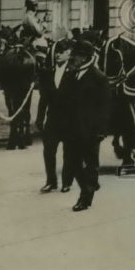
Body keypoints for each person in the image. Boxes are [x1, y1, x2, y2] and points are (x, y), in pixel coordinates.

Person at [61, 38, 112, 212]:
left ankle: (85, 198)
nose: (71, 58)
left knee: (91, 165)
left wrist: (101, 131)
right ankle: (88, 186)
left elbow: (105, 108)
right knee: (73, 164)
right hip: (72, 130)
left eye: (74, 56)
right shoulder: (71, 74)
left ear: (83, 57)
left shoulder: (99, 78)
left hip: (90, 131)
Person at [39, 39, 74, 193]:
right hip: (52, 119)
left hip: (69, 120)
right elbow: (44, 97)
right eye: (57, 52)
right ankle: (51, 181)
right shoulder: (49, 72)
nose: (58, 54)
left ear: (69, 53)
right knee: (48, 151)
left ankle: (66, 182)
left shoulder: (74, 72)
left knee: (69, 152)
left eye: (62, 51)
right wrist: (40, 118)